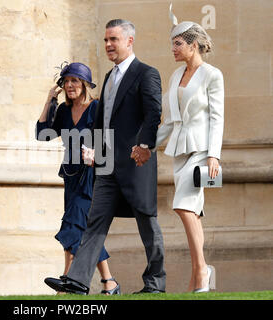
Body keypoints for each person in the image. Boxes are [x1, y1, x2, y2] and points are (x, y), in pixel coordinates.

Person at [44, 19, 166, 295]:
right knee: (94, 221)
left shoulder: (147, 73)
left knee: (147, 222)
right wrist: (95, 152)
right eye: (106, 40)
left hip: (136, 163)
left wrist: (145, 144)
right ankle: (77, 280)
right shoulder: (110, 77)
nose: (109, 45)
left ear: (129, 41)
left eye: (114, 39)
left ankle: (155, 283)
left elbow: (153, 114)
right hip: (106, 167)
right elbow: (101, 122)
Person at [134, 5, 224, 293]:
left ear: (193, 44)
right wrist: (147, 145)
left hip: (201, 151)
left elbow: (216, 117)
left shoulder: (212, 75)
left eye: (178, 43)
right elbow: (171, 122)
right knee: (192, 212)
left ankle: (201, 271)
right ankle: (200, 275)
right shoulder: (174, 77)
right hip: (179, 152)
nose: (173, 49)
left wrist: (214, 154)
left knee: (183, 206)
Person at [35, 62, 119, 295]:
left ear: (84, 84)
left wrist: (96, 155)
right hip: (71, 176)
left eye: (75, 80)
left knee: (72, 226)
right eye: (66, 81)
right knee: (83, 229)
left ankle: (67, 283)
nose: (70, 85)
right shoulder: (62, 110)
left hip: (92, 177)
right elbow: (42, 134)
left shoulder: (96, 108)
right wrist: (50, 100)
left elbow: (111, 142)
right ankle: (109, 282)